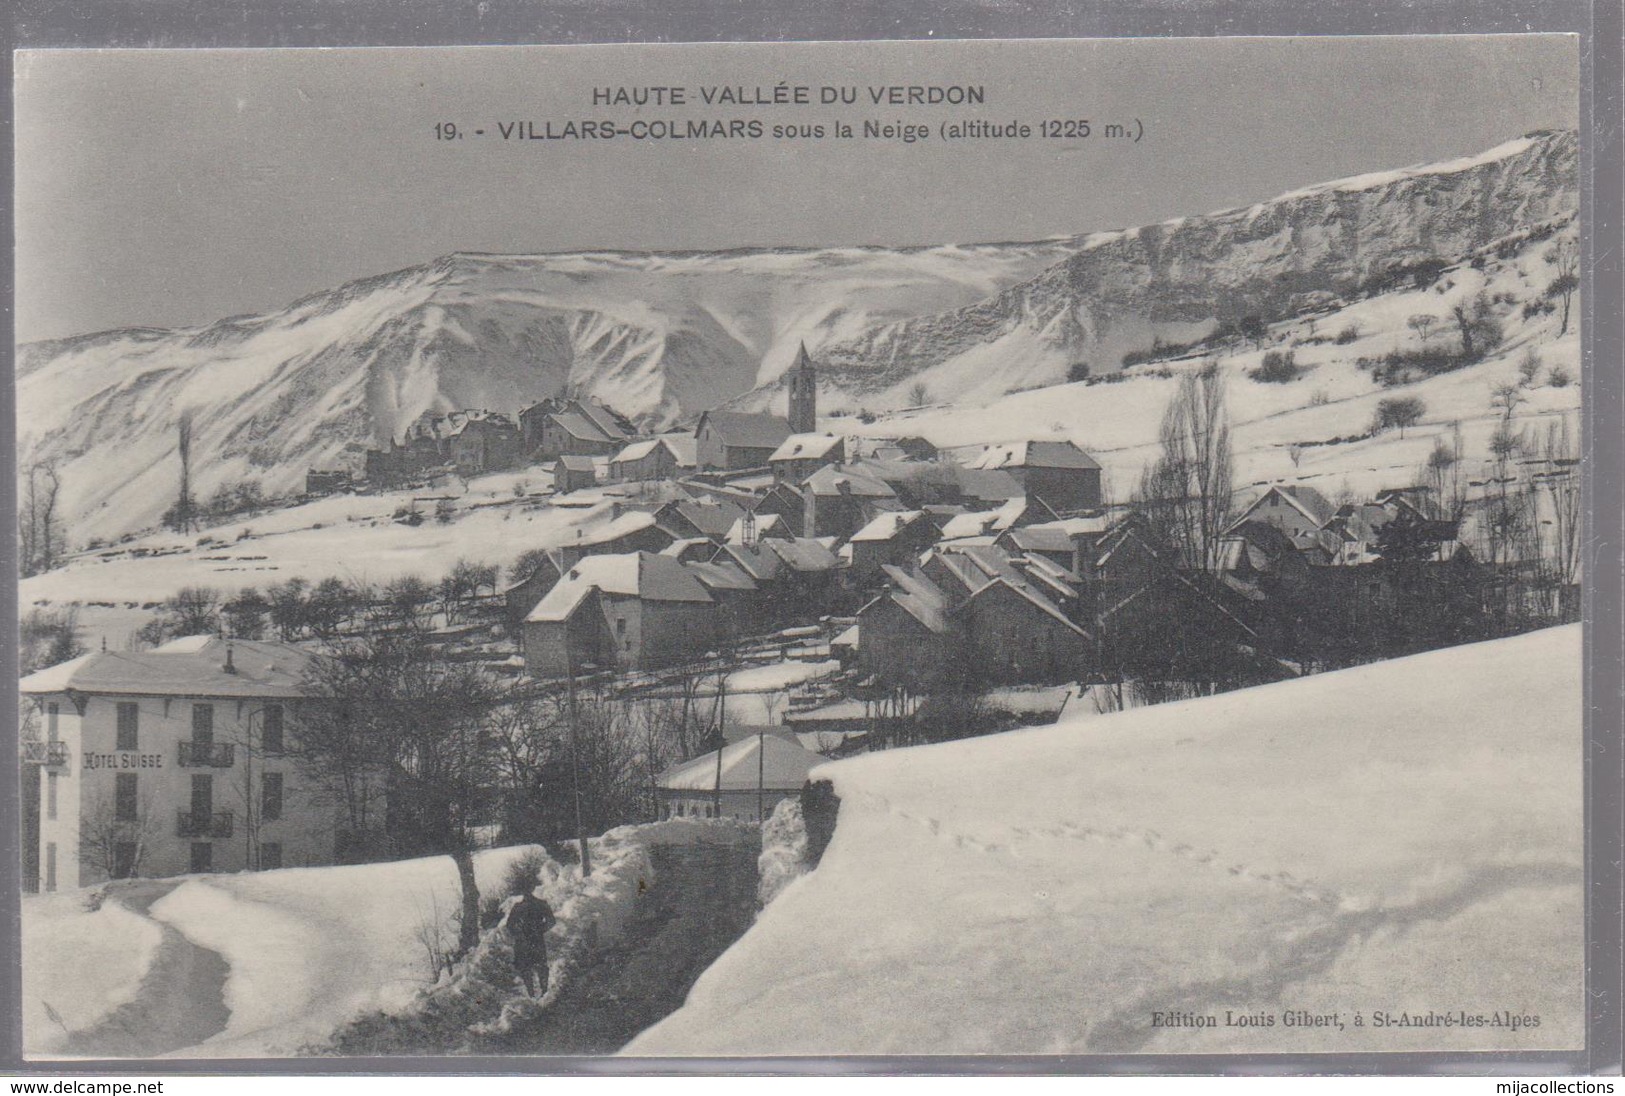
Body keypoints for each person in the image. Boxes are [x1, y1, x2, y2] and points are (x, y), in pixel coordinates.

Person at [504, 890, 557, 998]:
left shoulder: (520, 906)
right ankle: (536, 993)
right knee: (531, 967)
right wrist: (540, 929)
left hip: (527, 941)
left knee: (534, 967)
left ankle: (540, 992)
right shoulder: (538, 904)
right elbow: (510, 925)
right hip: (531, 940)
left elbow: (510, 925)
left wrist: (521, 933)